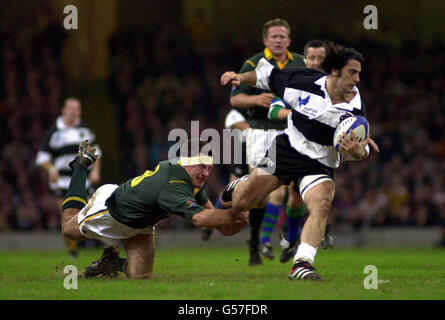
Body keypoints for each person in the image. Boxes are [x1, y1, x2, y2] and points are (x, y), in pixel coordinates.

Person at [220, 41, 379, 280]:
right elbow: (264, 74)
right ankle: (240, 184)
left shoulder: (355, 110)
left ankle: (302, 263)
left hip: (319, 163)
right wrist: (240, 78)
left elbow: (361, 152)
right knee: (243, 203)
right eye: (352, 72)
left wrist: (356, 150)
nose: (357, 79)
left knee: (321, 204)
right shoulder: (302, 81)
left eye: (359, 73)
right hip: (286, 149)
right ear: (335, 71)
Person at [61, 139, 248, 279]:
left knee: (140, 275)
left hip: (141, 223)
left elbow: (217, 222)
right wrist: (232, 213)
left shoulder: (193, 179)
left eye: (209, 167)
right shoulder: (173, 183)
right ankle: (81, 166)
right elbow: (200, 219)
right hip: (112, 211)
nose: (206, 173)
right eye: (202, 166)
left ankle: (110, 263)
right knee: (68, 228)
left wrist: (243, 217)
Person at [230, 18, 306, 266]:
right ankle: (255, 243)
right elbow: (235, 99)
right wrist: (256, 101)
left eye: (282, 36)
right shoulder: (254, 63)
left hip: (292, 131)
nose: (278, 40)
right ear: (265, 40)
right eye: (273, 36)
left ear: (289, 40)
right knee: (258, 194)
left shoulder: (300, 62)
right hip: (261, 132)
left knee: (291, 191)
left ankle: (282, 240)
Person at [35, 97, 102, 258]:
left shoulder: (85, 130)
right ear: (64, 110)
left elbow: (96, 153)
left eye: (76, 109)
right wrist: (51, 169)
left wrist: (95, 171)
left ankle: (91, 241)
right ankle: (73, 249)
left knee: (90, 209)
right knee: (65, 213)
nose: (73, 112)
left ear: (79, 112)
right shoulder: (54, 132)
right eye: (70, 108)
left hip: (83, 178)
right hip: (63, 180)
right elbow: (42, 157)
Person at [200, 107, 250, 241]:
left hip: (266, 152)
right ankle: (212, 221)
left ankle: (263, 238)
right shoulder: (247, 105)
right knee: (230, 193)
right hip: (249, 153)